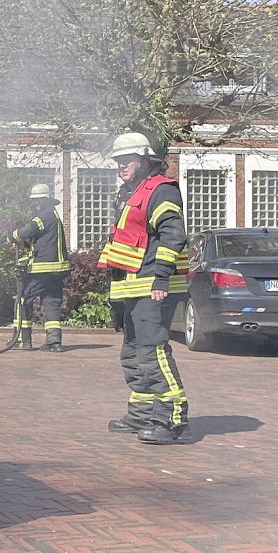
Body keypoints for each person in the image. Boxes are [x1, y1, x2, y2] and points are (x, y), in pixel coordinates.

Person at [98, 132, 191, 445]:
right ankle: (141, 413)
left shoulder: (161, 191)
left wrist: (161, 277)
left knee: (152, 350)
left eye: (126, 159)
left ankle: (172, 416)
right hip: (132, 286)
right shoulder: (130, 192)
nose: (121, 165)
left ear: (145, 159)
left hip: (153, 286)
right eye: (118, 160)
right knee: (134, 351)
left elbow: (173, 236)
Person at [9, 183, 70, 352]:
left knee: (23, 299)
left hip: (44, 268)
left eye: (39, 200)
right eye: (35, 201)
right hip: (58, 269)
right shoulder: (54, 216)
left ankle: (23, 339)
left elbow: (27, 231)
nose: (36, 204)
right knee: (51, 301)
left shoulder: (44, 216)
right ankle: (54, 342)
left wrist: (13, 236)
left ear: (46, 200)